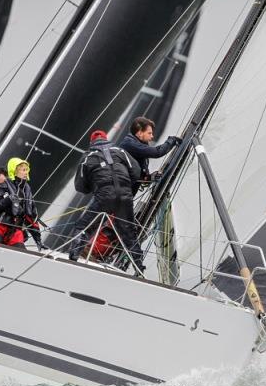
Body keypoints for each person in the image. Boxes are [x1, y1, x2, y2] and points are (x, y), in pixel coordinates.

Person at [68, 130, 144, 273]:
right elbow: (136, 170)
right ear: (106, 139)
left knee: (83, 227)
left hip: (104, 196)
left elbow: (80, 186)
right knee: (129, 233)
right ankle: (139, 267)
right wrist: (126, 183)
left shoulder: (88, 157)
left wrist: (93, 187)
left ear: (92, 143)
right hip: (125, 195)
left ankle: (73, 257)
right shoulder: (120, 151)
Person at [0, 158, 41, 249]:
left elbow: (31, 216)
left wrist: (38, 239)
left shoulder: (27, 191)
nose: (26, 172)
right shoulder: (3, 186)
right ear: (14, 171)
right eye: (23, 170)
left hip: (14, 230)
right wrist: (8, 200)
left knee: (21, 251)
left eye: (27, 170)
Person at [119, 117, 181, 193]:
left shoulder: (136, 144)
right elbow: (157, 152)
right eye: (149, 133)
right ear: (140, 133)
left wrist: (150, 177)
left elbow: (138, 176)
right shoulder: (130, 144)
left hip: (124, 196)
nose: (152, 136)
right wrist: (172, 140)